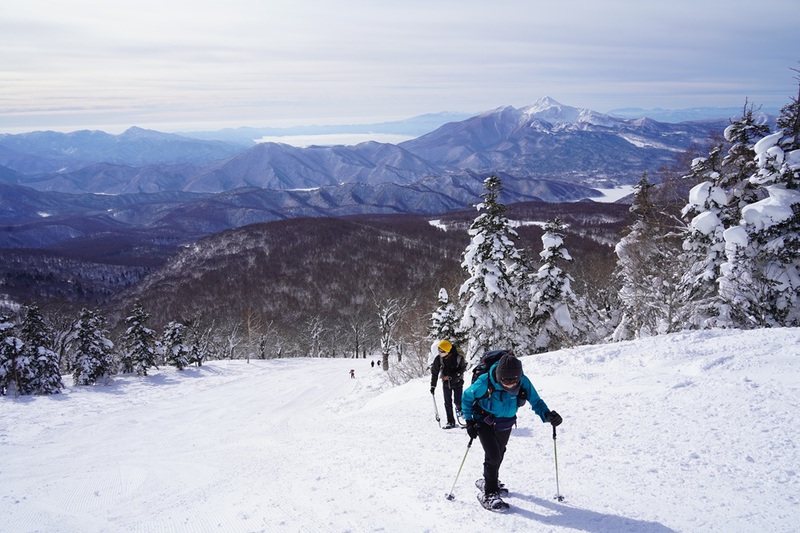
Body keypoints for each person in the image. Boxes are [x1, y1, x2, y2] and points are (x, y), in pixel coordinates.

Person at [461, 352, 562, 512]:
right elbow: (467, 397)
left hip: (505, 421)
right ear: (498, 376)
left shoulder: (523, 381)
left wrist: (548, 415)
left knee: (499, 453)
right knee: (493, 455)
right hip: (483, 419)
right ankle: (489, 493)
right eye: (505, 382)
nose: (509, 385)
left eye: (513, 382)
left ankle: (489, 480)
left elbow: (536, 401)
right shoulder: (484, 382)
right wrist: (469, 421)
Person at [430, 339, 467, 429]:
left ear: (447, 351)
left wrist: (456, 375)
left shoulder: (458, 358)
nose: (439, 353)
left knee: (458, 402)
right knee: (447, 403)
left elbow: (463, 368)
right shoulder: (439, 359)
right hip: (446, 383)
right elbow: (434, 372)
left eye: (441, 351)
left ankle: (465, 416)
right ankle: (450, 421)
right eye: (438, 351)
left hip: (457, 382)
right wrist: (433, 386)